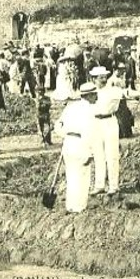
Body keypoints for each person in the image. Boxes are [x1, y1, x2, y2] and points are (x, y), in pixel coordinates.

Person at [55, 83, 96, 213]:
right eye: (95, 94)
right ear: (89, 95)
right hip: (81, 143)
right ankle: (79, 207)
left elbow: (58, 125)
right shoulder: (89, 109)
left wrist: (65, 135)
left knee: (71, 175)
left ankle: (70, 205)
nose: (96, 97)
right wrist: (90, 152)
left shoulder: (70, 107)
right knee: (82, 177)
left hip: (68, 143)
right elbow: (89, 131)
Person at [88, 66, 122, 197]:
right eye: (100, 77)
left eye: (104, 77)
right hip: (96, 122)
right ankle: (99, 185)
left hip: (109, 122)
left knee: (111, 154)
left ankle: (114, 185)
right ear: (94, 79)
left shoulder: (113, 90)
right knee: (98, 154)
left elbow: (127, 93)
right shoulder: (90, 92)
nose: (103, 79)